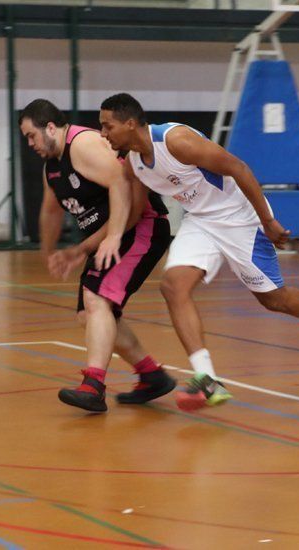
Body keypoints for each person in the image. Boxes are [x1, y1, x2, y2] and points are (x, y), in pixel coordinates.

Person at [97, 93, 299, 411]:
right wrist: (96, 243)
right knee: (173, 286)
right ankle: (207, 378)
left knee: (273, 299)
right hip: (201, 221)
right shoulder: (134, 164)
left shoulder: (177, 141)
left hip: (240, 218)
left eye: (106, 126)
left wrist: (268, 220)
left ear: (129, 124)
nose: (103, 134)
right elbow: (135, 210)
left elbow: (238, 167)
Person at [19, 99, 176, 413]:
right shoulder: (53, 167)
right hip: (110, 234)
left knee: (96, 299)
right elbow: (51, 211)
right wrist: (49, 252)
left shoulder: (83, 144)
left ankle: (93, 385)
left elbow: (120, 183)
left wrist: (113, 237)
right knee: (88, 316)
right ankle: (151, 375)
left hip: (140, 225)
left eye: (31, 135)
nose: (30, 143)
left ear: (50, 127)